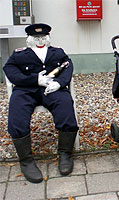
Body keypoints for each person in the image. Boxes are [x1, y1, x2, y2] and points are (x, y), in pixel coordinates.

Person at [3, 23, 79, 183]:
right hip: (26, 90)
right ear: (29, 39)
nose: (40, 41)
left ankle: (65, 153)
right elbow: (9, 70)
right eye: (36, 38)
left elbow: (68, 66)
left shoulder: (57, 52)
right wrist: (34, 79)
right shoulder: (19, 55)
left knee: (65, 106)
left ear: (48, 38)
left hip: (52, 88)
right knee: (17, 115)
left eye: (43, 37)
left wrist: (59, 83)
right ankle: (26, 160)